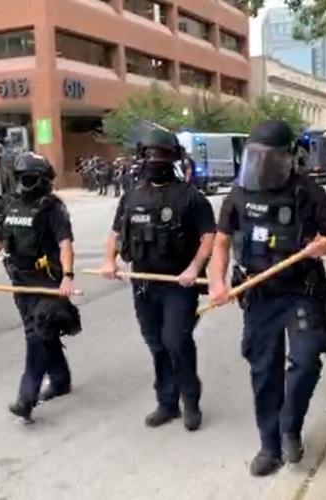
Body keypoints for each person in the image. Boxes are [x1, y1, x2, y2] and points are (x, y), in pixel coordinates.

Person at [207, 120, 326, 477]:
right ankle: (270, 446)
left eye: (270, 157)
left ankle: (290, 426)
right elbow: (221, 244)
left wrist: (321, 246)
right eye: (256, 157)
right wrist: (216, 282)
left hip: (301, 289)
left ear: (288, 156)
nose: (262, 164)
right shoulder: (237, 195)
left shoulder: (307, 191)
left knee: (306, 357)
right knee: (264, 371)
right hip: (259, 293)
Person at [100, 128, 215, 432]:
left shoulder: (191, 198)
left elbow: (208, 236)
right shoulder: (131, 197)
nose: (155, 160)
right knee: (156, 344)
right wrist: (108, 260)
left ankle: (191, 400)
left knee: (176, 341)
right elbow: (115, 233)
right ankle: (167, 403)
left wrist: (194, 268)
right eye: (150, 154)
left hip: (179, 284)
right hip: (143, 283)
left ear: (174, 157)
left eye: (162, 154)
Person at [0, 152, 78, 423]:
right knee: (39, 331)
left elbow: (65, 244)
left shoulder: (53, 208)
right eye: (21, 177)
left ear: (42, 180)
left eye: (30, 178)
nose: (24, 183)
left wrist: (68, 276)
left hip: (47, 281)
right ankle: (60, 379)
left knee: (36, 336)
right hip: (20, 281)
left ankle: (26, 397)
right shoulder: (12, 207)